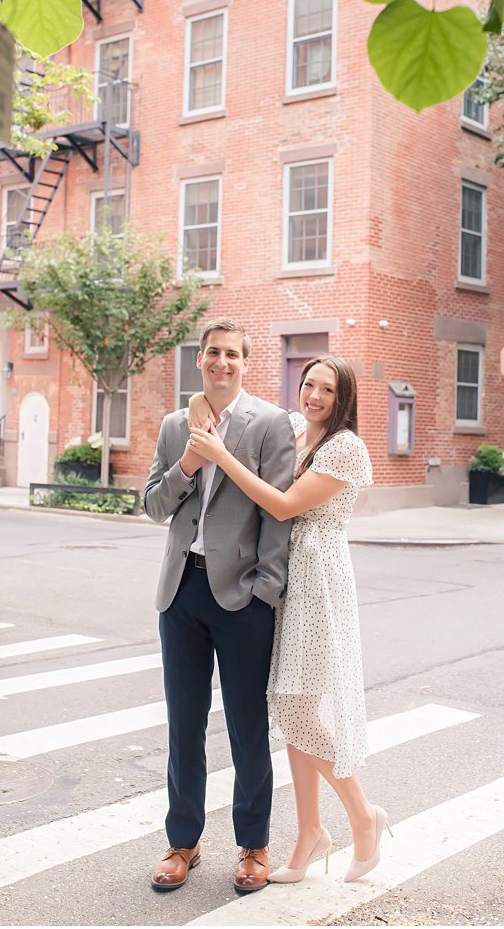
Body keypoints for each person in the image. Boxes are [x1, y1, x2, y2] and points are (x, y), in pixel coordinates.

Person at [185, 355, 389, 884]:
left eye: (327, 389)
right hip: (283, 576)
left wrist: (222, 456)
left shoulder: (345, 446)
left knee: (297, 708)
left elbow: (282, 506)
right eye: (308, 384)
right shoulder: (295, 428)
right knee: (292, 704)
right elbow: (226, 404)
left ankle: (363, 817)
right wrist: (195, 405)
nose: (314, 395)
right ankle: (309, 832)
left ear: (343, 398)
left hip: (317, 582)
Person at [142, 317, 296, 896]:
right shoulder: (175, 425)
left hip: (242, 597)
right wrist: (188, 463)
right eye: (213, 352)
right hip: (181, 591)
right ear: (200, 359)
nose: (221, 362)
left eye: (232, 353)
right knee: (184, 724)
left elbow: (280, 514)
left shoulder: (270, 424)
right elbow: (154, 507)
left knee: (246, 727)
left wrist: (266, 591)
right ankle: (183, 841)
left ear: (245, 362)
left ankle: (253, 845)